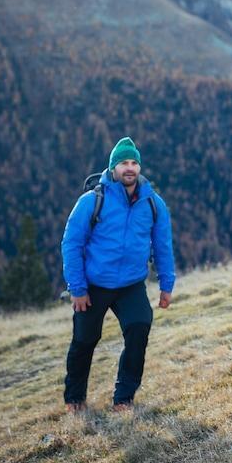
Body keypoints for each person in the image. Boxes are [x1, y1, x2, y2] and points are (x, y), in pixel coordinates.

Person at [61, 137, 175, 413]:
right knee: (85, 340)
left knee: (139, 328)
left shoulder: (153, 203)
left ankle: (124, 397)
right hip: (93, 285)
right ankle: (75, 398)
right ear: (113, 168)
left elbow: (163, 245)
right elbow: (71, 244)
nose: (130, 168)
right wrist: (77, 288)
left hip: (131, 284)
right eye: (124, 162)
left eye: (134, 162)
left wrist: (166, 284)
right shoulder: (92, 201)